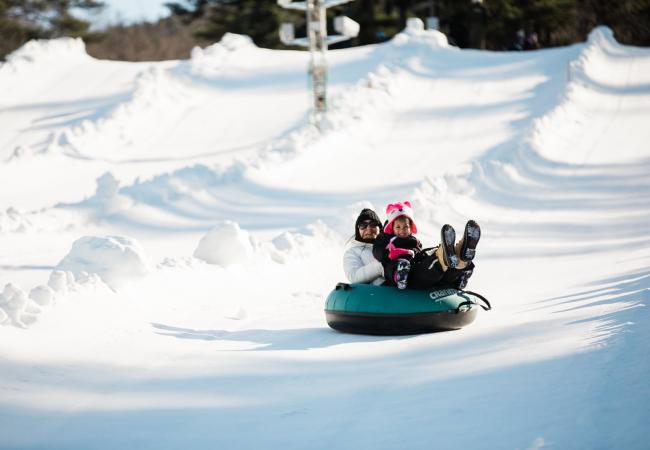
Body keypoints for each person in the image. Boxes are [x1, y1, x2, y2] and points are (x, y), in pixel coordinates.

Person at [372, 202, 422, 289]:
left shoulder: (414, 241)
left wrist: (414, 252)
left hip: (412, 265)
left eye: (405, 227)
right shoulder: (386, 238)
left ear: (410, 228)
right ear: (392, 227)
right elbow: (377, 250)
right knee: (392, 267)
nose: (402, 230)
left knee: (423, 263)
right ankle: (399, 278)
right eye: (398, 227)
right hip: (393, 262)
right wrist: (388, 254)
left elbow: (419, 251)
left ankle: (442, 266)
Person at [342, 208, 385, 285]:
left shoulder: (390, 246)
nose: (368, 229)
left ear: (380, 228)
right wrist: (381, 266)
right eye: (363, 225)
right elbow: (354, 276)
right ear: (358, 230)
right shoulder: (352, 252)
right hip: (374, 294)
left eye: (373, 224)